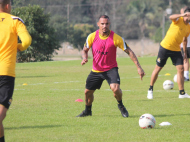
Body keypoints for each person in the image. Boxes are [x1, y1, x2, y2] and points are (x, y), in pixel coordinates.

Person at [77, 15, 145, 117]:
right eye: (102, 24)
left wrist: (139, 67)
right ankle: (87, 111)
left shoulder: (116, 38)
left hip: (111, 69)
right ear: (98, 24)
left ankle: (121, 105)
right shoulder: (92, 36)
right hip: (96, 70)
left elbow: (129, 52)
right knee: (87, 92)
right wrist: (84, 57)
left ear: (110, 24)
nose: (105, 26)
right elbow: (84, 49)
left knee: (115, 89)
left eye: (107, 24)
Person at [0, 0, 32, 141]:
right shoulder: (15, 20)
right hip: (5, 72)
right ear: (7, 6)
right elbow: (26, 41)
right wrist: (19, 46)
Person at [147, 7, 190, 99]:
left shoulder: (188, 27)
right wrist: (181, 15)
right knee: (158, 68)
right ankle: (150, 90)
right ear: (187, 15)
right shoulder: (179, 19)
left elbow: (185, 40)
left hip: (176, 50)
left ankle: (182, 93)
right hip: (165, 47)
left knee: (181, 69)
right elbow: (171, 17)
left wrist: (185, 52)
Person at [180, 6, 190, 81]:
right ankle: (185, 75)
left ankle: (186, 76)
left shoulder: (183, 22)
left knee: (185, 60)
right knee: (185, 60)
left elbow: (184, 38)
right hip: (185, 44)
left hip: (186, 45)